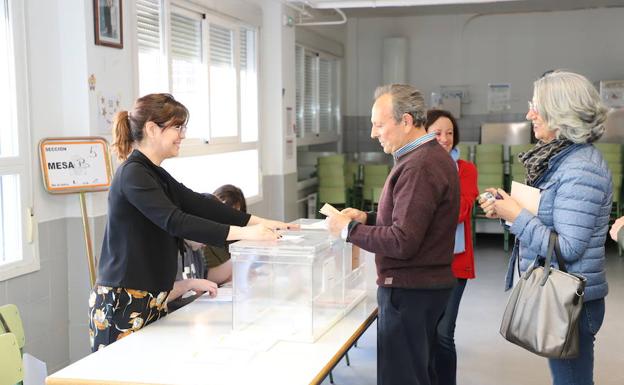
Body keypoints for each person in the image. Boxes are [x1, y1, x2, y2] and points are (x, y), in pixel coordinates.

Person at [89, 93, 296, 352]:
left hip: (151, 298)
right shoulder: (133, 174)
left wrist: (262, 221)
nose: (183, 134)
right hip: (123, 301)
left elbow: (200, 204)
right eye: (177, 127)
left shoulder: (154, 173)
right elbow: (176, 221)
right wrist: (247, 234)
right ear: (152, 129)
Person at [479, 70, 611, 385]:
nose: (529, 115)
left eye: (537, 107)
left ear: (562, 113)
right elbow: (552, 217)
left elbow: (568, 247)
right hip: (567, 296)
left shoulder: (581, 168)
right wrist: (508, 209)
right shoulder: (562, 158)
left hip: (575, 301)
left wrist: (518, 215)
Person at [327, 84, 460, 385]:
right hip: (423, 289)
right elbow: (413, 221)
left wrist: (348, 230)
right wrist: (367, 218)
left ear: (406, 122)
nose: (374, 133)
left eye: (379, 124)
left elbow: (403, 241)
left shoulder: (419, 166)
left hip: (411, 291)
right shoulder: (424, 158)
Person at [425, 109, 479, 385]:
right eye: (437, 133)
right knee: (426, 334)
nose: (445, 139)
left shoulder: (465, 169)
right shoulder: (417, 165)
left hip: (454, 264)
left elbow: (460, 210)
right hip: (422, 264)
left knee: (444, 333)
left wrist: (425, 211)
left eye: (449, 133)